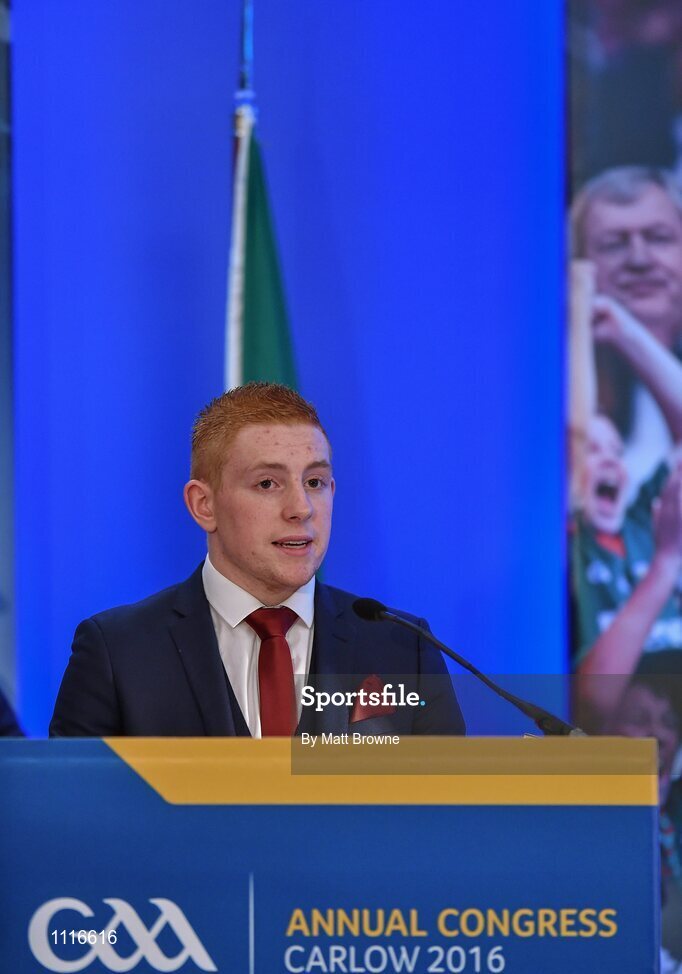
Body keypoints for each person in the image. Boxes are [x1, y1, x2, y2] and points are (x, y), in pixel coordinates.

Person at [50, 382, 464, 738]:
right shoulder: (117, 652)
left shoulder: (404, 648)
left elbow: (442, 805)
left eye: (315, 482)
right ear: (204, 505)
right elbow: (74, 806)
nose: (301, 508)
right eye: (267, 483)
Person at [569, 273, 682, 728]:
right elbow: (592, 705)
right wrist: (666, 564)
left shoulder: (643, 527)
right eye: (593, 450)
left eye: (617, 451)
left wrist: (624, 331)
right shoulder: (567, 547)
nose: (610, 461)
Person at [571, 166, 682, 486]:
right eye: (613, 244)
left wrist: (630, 336)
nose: (639, 259)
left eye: (658, 238)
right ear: (578, 264)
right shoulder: (556, 374)